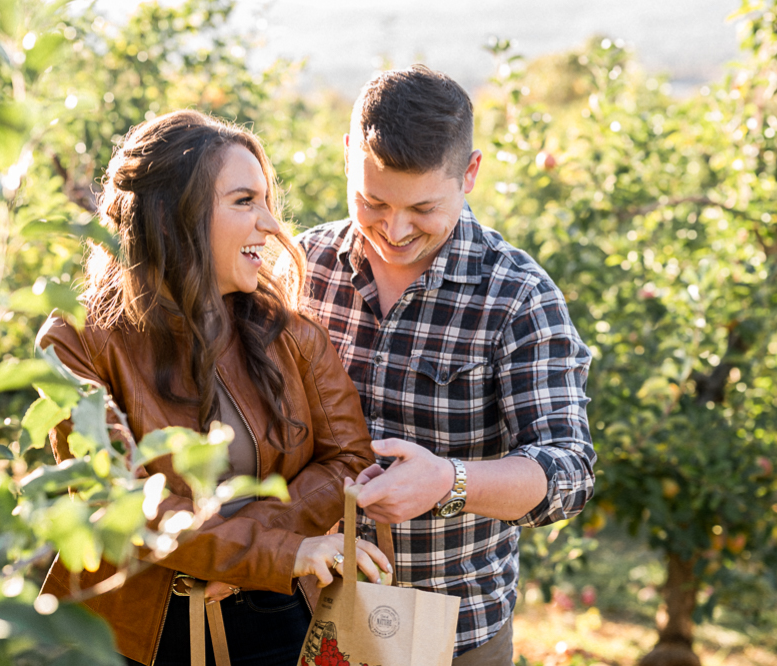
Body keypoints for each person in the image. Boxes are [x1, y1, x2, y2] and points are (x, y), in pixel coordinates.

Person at [38, 109, 390, 666]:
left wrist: (250, 555)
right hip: (128, 635)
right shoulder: (78, 341)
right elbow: (117, 499)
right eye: (244, 201)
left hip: (274, 621)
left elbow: (349, 459)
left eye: (266, 201)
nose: (271, 225)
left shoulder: (288, 334)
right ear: (174, 215)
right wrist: (274, 549)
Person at [297, 65, 596, 665]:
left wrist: (447, 482)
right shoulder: (304, 267)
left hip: (452, 634)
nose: (395, 229)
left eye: (424, 208)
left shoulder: (515, 296)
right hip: (303, 616)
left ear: (471, 175)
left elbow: (568, 471)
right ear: (348, 155)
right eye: (372, 201)